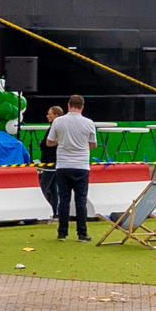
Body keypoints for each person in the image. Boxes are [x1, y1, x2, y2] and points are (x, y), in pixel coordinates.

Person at [50, 95, 100, 241]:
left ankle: (62, 233)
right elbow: (93, 145)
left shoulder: (58, 121)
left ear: (68, 105)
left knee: (64, 199)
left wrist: (61, 141)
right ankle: (82, 233)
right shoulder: (89, 123)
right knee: (81, 200)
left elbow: (49, 142)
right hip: (82, 166)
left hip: (63, 165)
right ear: (82, 107)